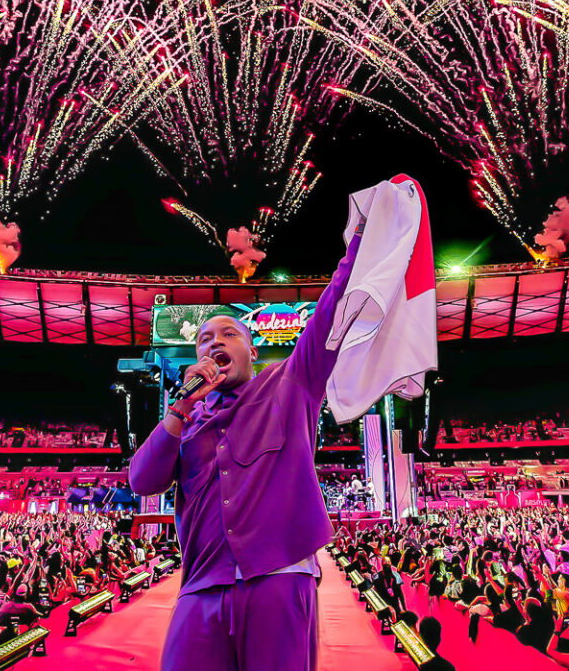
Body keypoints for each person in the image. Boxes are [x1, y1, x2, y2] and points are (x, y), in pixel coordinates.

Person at [129, 207, 400, 671]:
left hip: (278, 578)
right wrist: (181, 406)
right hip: (201, 586)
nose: (214, 342)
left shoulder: (289, 383)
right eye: (205, 339)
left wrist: (358, 239)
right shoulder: (185, 421)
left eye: (229, 333)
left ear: (251, 349)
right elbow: (142, 480)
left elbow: (331, 311)